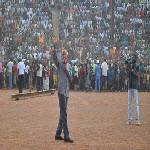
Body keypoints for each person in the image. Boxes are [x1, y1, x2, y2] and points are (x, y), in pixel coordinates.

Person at [53, 45, 73, 143]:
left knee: (62, 112)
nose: (63, 55)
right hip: (61, 91)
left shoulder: (68, 65)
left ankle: (57, 133)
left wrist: (67, 70)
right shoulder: (59, 64)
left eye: (65, 54)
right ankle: (66, 135)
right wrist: (54, 47)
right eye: (62, 54)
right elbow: (54, 58)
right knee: (64, 113)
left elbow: (71, 80)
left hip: (66, 92)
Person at [126, 54, 140, 126]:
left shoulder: (137, 66)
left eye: (133, 57)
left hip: (135, 86)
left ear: (135, 58)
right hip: (130, 86)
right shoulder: (130, 66)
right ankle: (129, 119)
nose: (132, 59)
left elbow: (137, 75)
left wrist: (131, 70)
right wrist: (127, 68)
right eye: (131, 58)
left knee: (136, 104)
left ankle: (137, 120)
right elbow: (127, 76)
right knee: (129, 104)